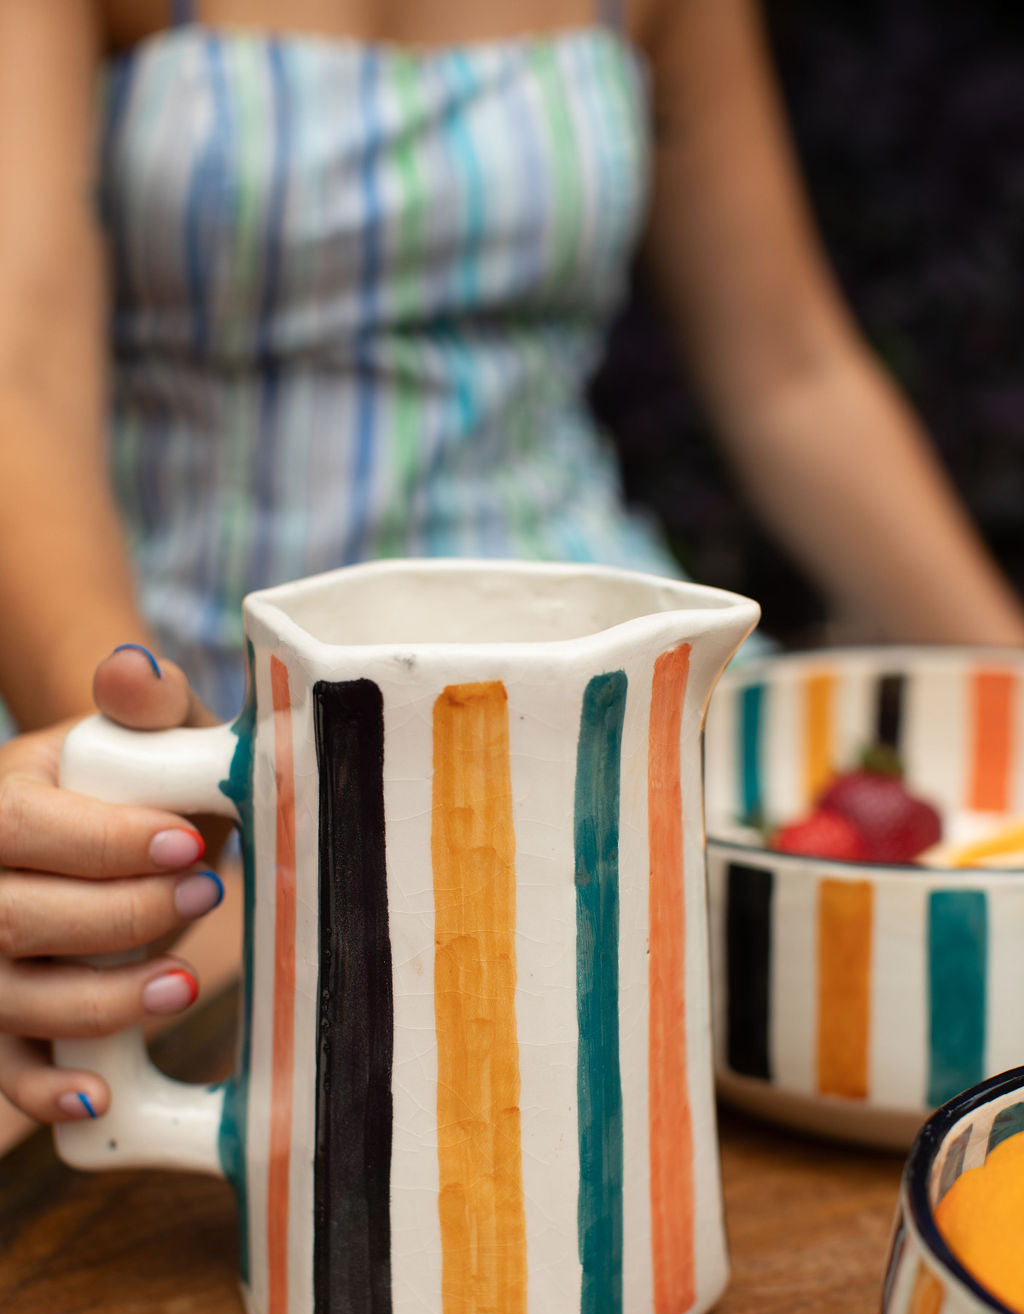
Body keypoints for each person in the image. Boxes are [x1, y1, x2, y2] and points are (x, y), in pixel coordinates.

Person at [1, 0, 1022, 1148]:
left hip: (592, 665)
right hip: (199, 670)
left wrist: (1011, 692)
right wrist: (131, 762)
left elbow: (791, 370)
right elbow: (19, 372)